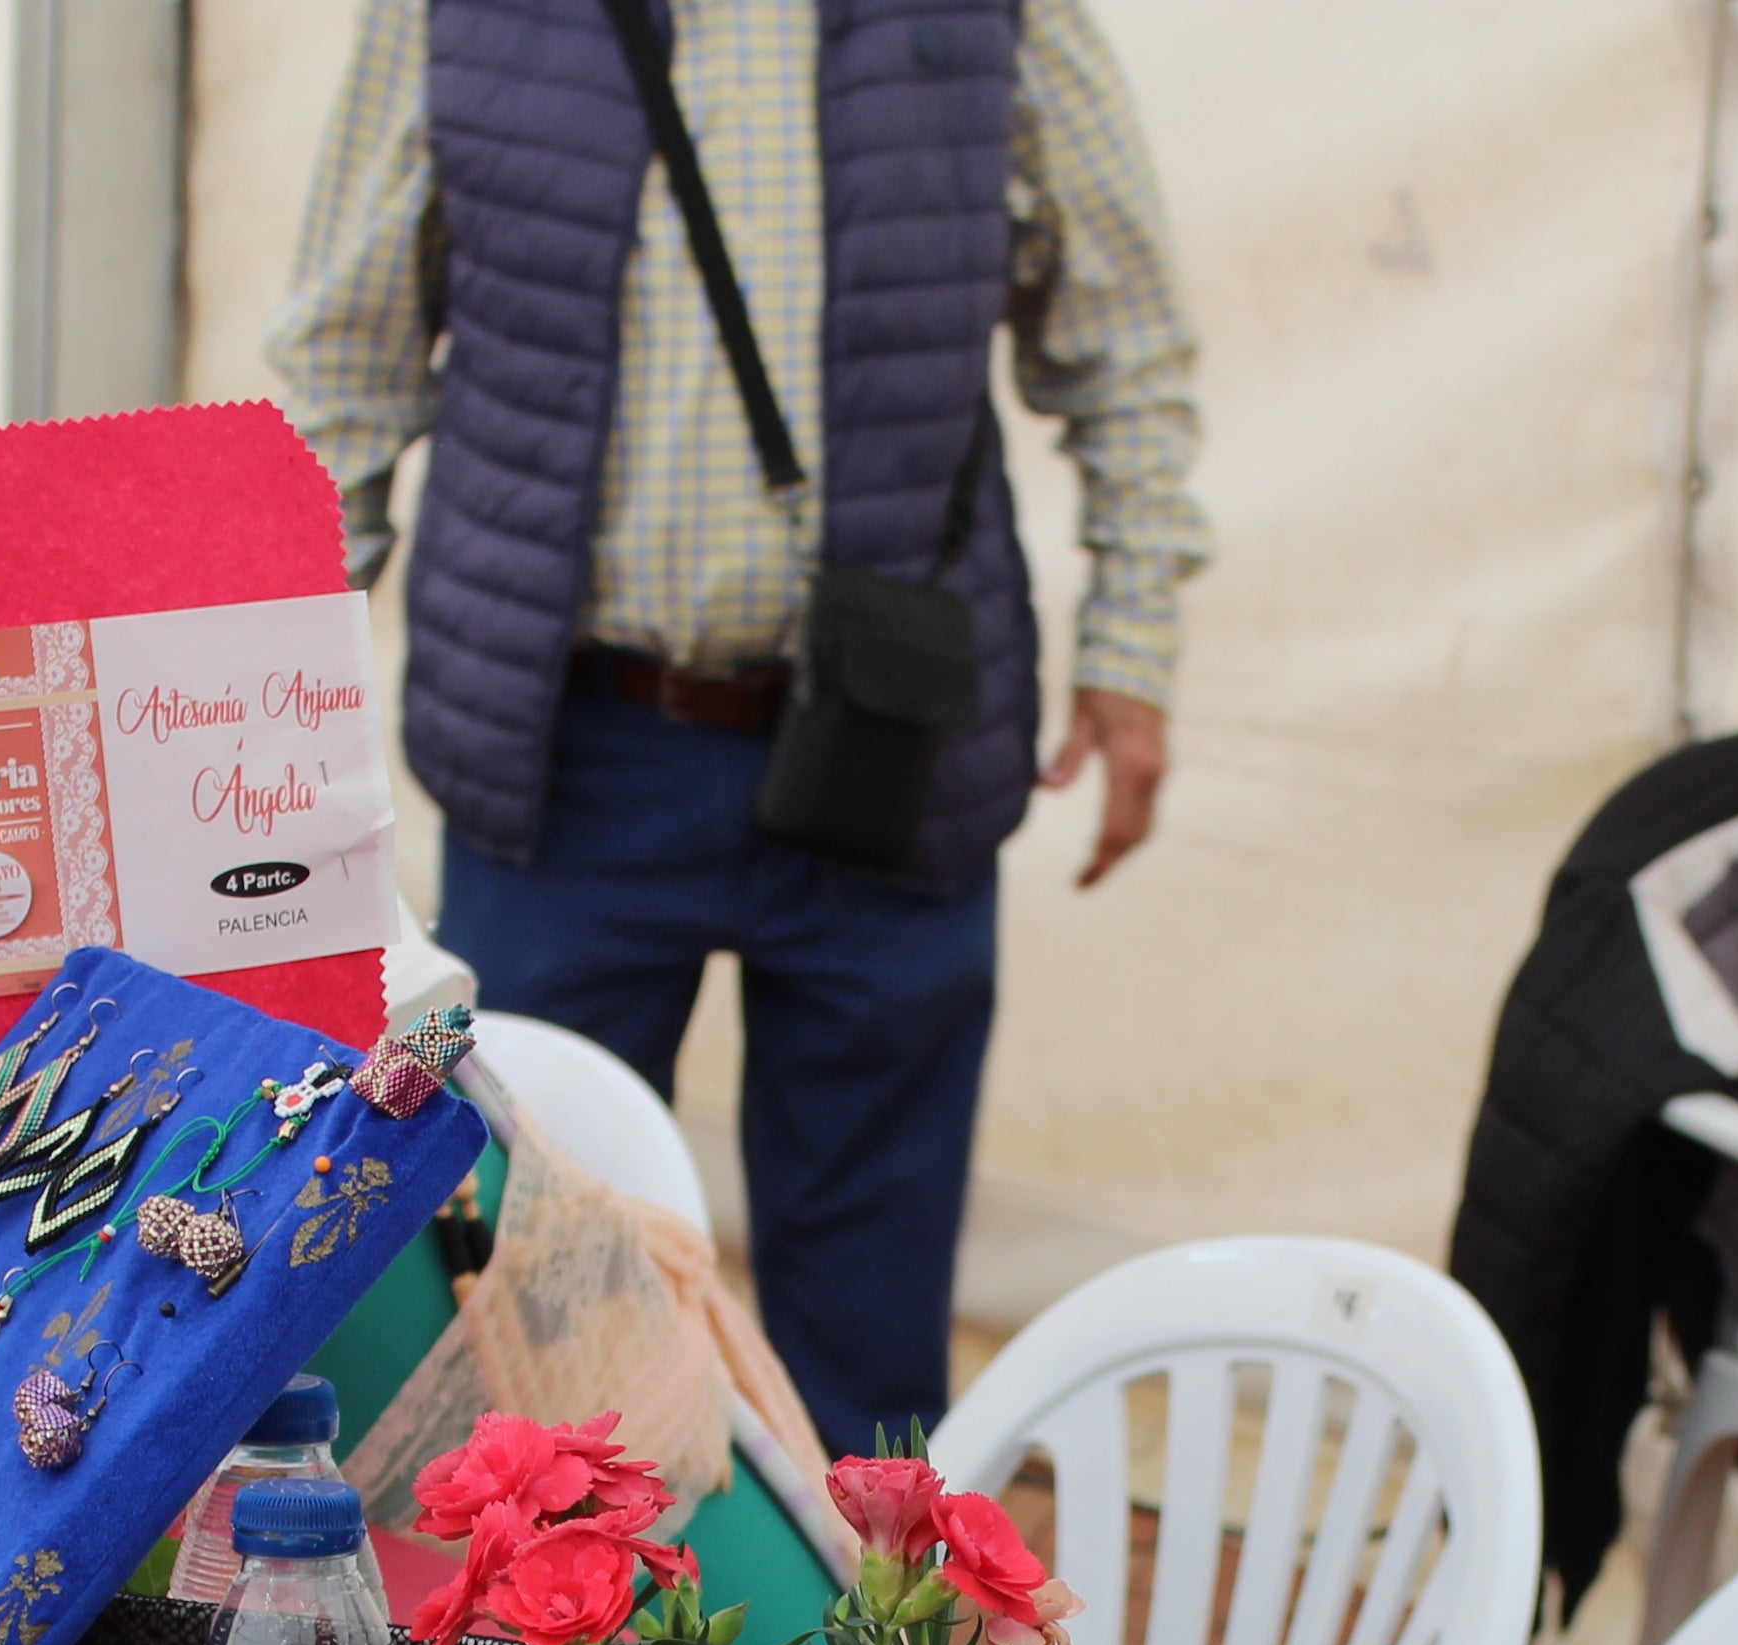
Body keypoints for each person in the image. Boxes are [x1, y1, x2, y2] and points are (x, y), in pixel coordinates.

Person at [271, 0, 1208, 1453]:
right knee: (523, 1310)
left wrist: (1133, 646)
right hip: (568, 762)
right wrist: (282, 699)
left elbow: (1124, 332)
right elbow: (348, 357)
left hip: (889, 756)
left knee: (870, 1348)